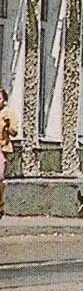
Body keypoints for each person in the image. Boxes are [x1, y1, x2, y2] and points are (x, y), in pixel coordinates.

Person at [0, 86, 17, 221]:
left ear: (4, 100)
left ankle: (0, 204)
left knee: (0, 178)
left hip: (2, 148)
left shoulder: (8, 113)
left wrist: (7, 125)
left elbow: (14, 132)